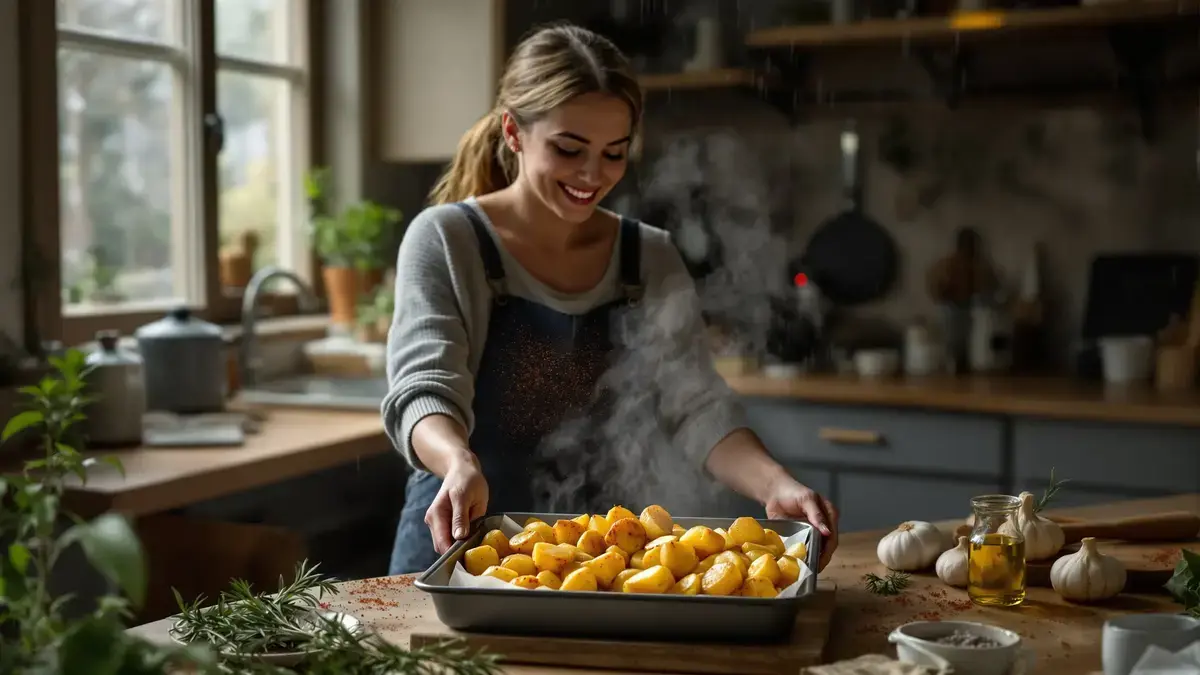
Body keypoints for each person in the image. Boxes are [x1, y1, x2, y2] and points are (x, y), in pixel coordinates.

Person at [382, 23, 839, 576]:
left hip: (597, 560)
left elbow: (693, 404)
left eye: (614, 152)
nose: (592, 175)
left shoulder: (647, 255)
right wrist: (457, 462)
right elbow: (423, 389)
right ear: (512, 131)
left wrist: (777, 484)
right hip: (457, 543)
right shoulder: (447, 240)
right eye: (568, 149)